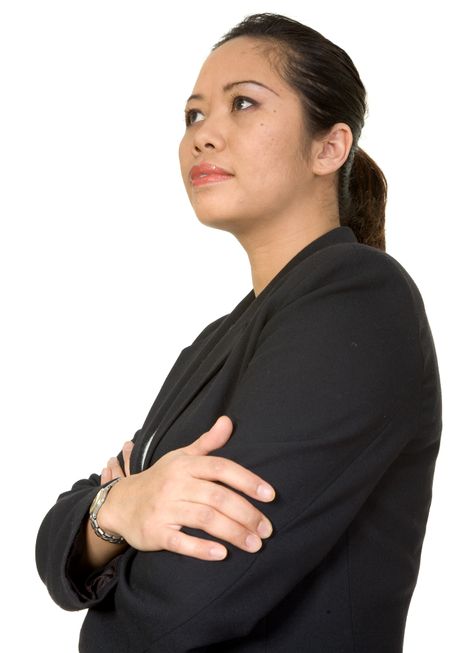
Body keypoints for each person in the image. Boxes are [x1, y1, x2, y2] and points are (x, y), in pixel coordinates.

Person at [35, 12, 442, 653]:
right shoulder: (214, 341)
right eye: (193, 116)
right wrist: (117, 508)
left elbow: (188, 600)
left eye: (243, 103)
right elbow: (56, 550)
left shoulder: (359, 298)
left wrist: (112, 517)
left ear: (328, 147)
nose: (203, 135)